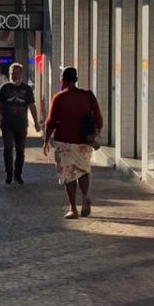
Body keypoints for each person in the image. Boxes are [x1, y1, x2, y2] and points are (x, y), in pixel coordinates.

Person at [44, 67, 103, 219]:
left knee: (68, 175)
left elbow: (51, 122)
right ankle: (85, 196)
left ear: (63, 80)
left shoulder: (59, 97)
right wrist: (95, 134)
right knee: (83, 170)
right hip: (83, 142)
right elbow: (99, 120)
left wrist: (46, 140)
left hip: (64, 141)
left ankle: (73, 208)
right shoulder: (88, 96)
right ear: (76, 79)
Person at [0, 63, 42, 184]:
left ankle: (18, 174)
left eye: (16, 73)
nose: (14, 76)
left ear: (21, 74)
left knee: (20, 150)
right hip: (7, 124)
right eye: (12, 74)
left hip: (21, 124)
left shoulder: (27, 89)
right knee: (8, 148)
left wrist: (36, 123)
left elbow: (32, 107)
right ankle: (9, 173)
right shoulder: (4, 88)